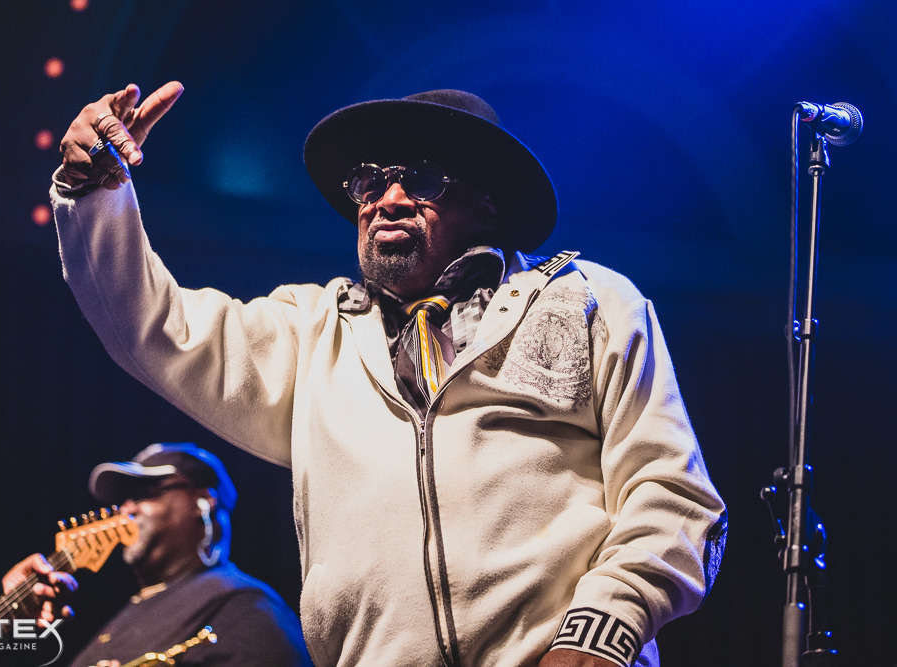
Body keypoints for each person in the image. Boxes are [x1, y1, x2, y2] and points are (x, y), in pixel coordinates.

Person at [50, 83, 727, 667]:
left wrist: (600, 635)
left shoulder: (591, 301)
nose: (388, 198)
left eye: (424, 178)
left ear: (487, 204)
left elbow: (671, 493)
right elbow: (153, 327)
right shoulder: (314, 335)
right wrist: (93, 193)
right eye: (371, 182)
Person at [67, 442, 311, 667]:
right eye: (124, 499)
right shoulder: (130, 613)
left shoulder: (246, 609)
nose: (126, 510)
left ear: (202, 501)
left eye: (145, 492)